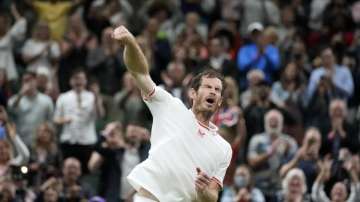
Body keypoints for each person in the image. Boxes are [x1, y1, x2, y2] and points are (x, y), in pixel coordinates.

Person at [112, 26, 232, 202]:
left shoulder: (223, 148)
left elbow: (212, 196)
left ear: (220, 101)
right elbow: (139, 73)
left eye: (217, 90)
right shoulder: (171, 106)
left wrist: (202, 190)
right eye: (207, 87)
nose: (213, 92)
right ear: (193, 93)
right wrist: (130, 43)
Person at [54, 69, 104, 173]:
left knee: (86, 172)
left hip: (87, 142)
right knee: (68, 171)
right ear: (70, 81)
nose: (78, 82)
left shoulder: (92, 97)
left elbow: (100, 116)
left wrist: (96, 97)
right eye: (76, 79)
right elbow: (56, 119)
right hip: (69, 142)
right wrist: (65, 120)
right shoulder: (63, 97)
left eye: (81, 79)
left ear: (85, 81)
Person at [247, 109, 298, 201]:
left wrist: (286, 153)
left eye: (276, 121)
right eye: (271, 121)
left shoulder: (290, 142)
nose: (273, 123)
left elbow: (295, 166)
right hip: (259, 187)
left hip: (281, 188)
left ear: (281, 123)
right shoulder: (257, 140)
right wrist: (269, 153)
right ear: (266, 123)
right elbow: (252, 162)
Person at [7, 71, 54, 147]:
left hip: (40, 142)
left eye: (30, 80)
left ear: (36, 81)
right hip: (20, 142)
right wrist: (21, 94)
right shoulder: (14, 100)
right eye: (25, 81)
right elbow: (10, 112)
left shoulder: (47, 100)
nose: (28, 83)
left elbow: (50, 122)